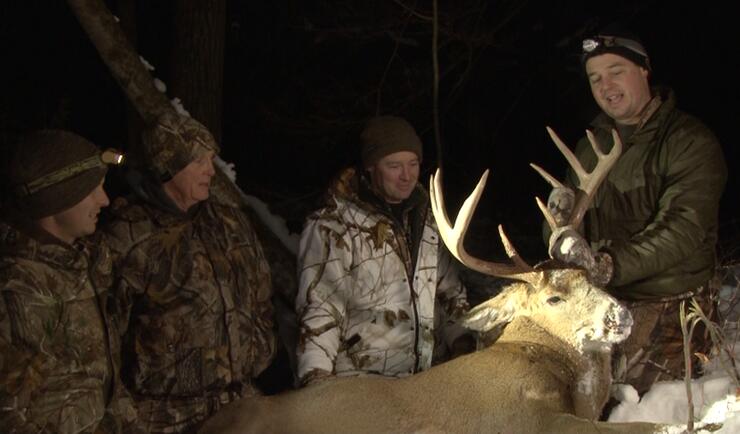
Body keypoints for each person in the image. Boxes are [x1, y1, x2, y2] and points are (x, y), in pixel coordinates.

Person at [545, 25, 728, 396]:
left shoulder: (688, 141)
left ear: (644, 70)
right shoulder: (589, 145)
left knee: (625, 397)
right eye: (595, 78)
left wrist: (611, 263)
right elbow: (566, 225)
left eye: (616, 72)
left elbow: (683, 229)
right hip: (603, 296)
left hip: (669, 303)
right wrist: (557, 229)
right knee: (549, 379)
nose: (605, 85)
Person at [101, 112, 277, 433]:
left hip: (240, 403)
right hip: (167, 416)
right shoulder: (130, 235)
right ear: (168, 167)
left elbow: (262, 294)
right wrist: (124, 412)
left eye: (211, 160)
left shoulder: (230, 223)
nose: (211, 171)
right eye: (199, 162)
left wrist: (258, 347)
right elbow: (105, 335)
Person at [295, 115, 474, 386]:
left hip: (427, 382)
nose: (407, 176)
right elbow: (320, 311)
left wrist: (465, 346)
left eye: (413, 164)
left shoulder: (428, 221)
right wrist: (316, 383)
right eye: (394, 166)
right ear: (370, 167)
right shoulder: (333, 227)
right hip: (363, 388)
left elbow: (450, 294)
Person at [0, 130, 142, 433]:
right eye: (92, 189)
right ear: (57, 197)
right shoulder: (15, 286)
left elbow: (107, 382)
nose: (105, 200)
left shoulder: (83, 266)